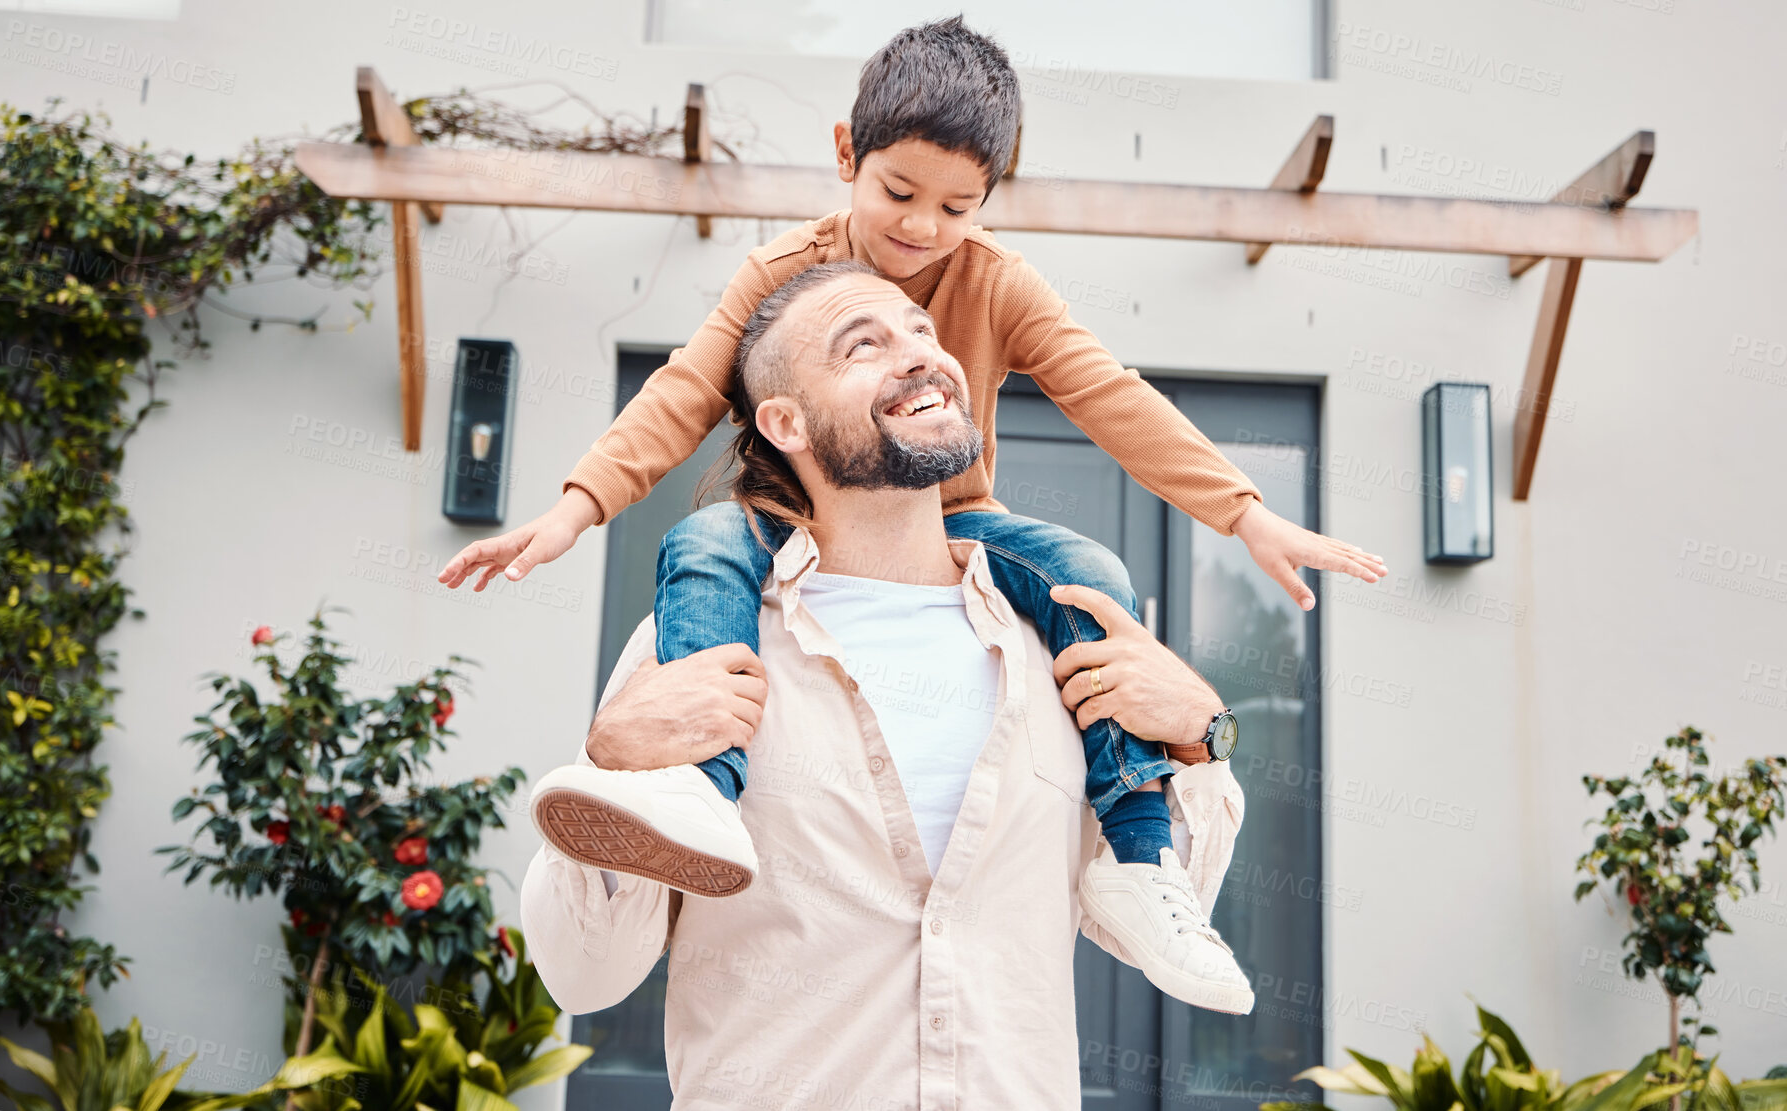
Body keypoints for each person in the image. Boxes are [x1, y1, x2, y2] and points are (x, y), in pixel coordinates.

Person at [441, 14, 1385, 898]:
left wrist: (1243, 512)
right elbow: (686, 387)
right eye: (899, 193)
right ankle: (697, 789)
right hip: (794, 512)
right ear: (848, 151)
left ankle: (1140, 859)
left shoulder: (997, 283)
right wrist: (575, 508)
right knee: (704, 547)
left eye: (957, 205)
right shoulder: (781, 272)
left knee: (1090, 573)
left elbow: (1110, 394)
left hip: (949, 519)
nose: (923, 227)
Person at [521, 262, 1253, 1109]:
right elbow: (583, 975)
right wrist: (610, 764)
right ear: (786, 420)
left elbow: (1160, 928)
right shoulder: (695, 644)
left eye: (922, 331)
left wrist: (1204, 739)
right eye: (862, 344)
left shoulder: (1063, 645)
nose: (919, 354)